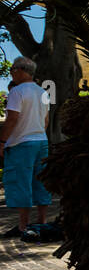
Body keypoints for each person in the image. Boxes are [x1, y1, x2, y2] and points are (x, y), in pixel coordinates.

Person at [1, 57, 53, 242]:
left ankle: (23, 225)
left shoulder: (17, 92)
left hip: (21, 143)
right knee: (40, 181)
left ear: (21, 70)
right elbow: (46, 121)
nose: (11, 72)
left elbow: (12, 119)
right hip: (40, 140)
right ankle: (41, 221)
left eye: (13, 69)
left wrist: (2, 141)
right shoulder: (42, 92)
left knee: (20, 181)